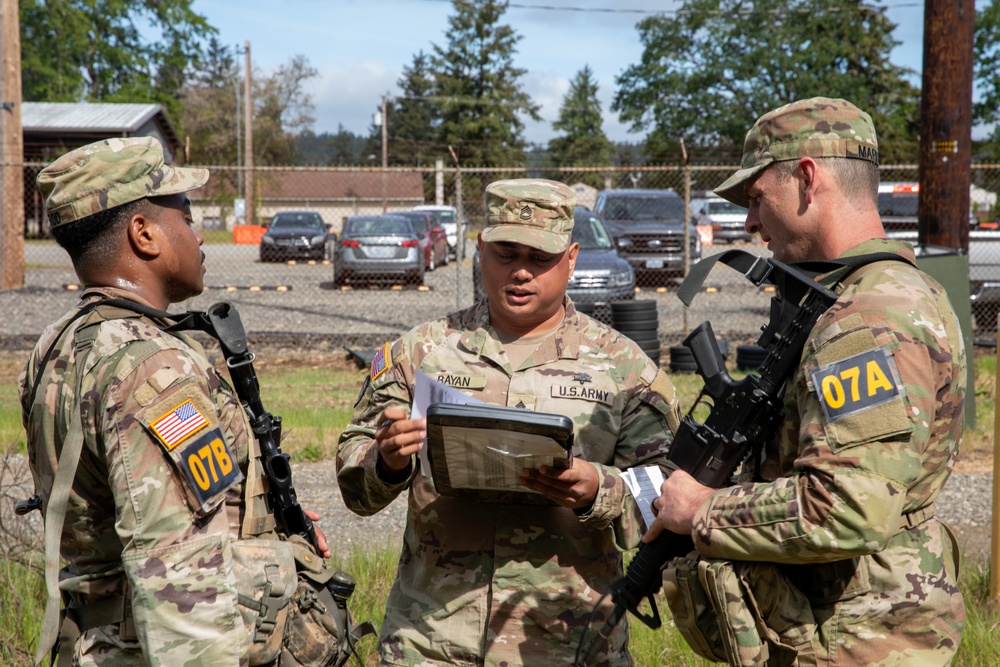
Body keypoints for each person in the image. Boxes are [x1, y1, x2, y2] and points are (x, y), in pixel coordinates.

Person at [646, 97, 966, 665]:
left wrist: (702, 510)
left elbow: (846, 506)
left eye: (756, 198)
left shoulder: (867, 316)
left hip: (855, 639)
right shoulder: (886, 292)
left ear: (808, 179)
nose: (749, 222)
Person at [337, 178, 680, 666]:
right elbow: (354, 486)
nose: (520, 272)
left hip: (569, 644)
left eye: (539, 258)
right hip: (430, 640)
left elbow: (669, 499)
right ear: (479, 250)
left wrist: (597, 490)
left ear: (572, 257)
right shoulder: (420, 353)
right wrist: (386, 459)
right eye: (505, 253)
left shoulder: (626, 370)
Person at [21, 136, 331, 666]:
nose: (199, 234)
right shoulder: (155, 369)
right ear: (143, 234)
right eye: (185, 216)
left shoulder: (60, 342)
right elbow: (183, 583)